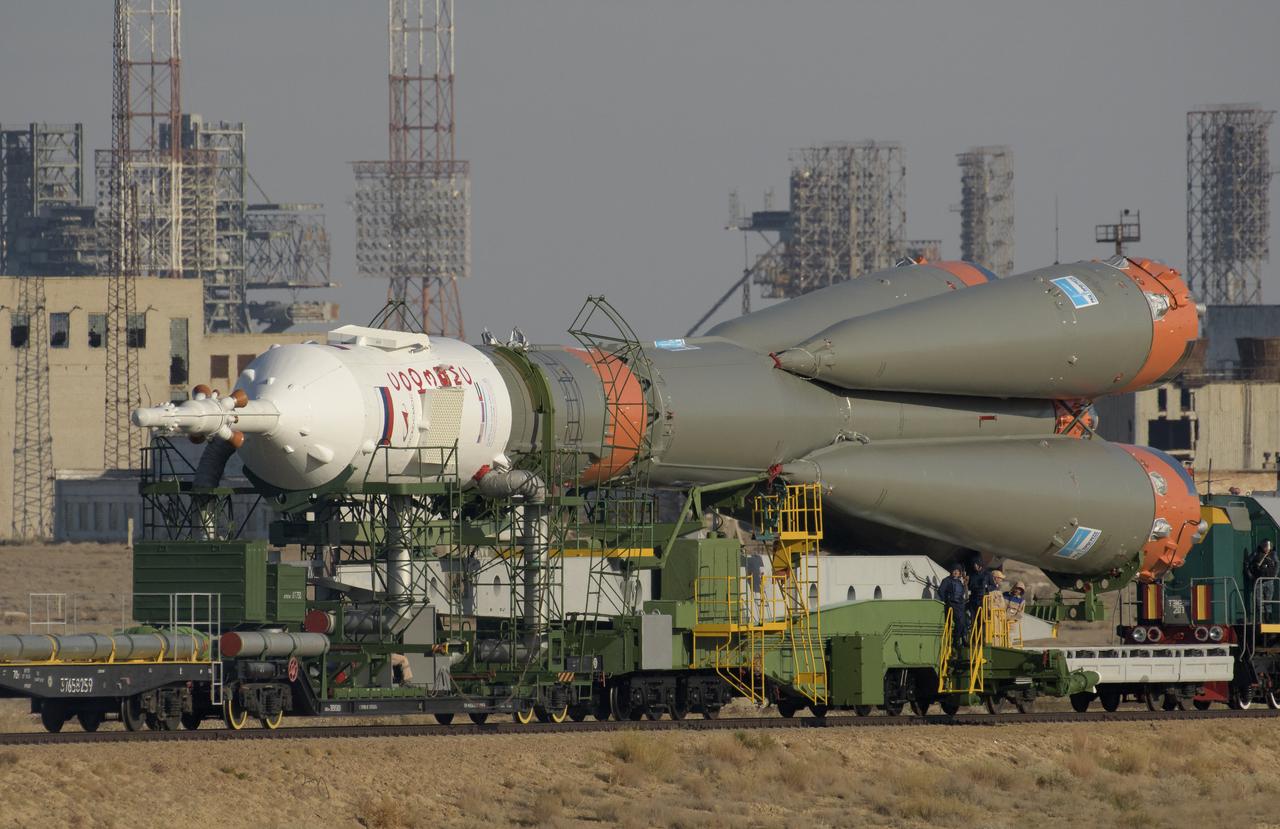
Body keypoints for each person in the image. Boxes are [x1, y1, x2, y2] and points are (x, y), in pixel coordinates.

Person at [1247, 540, 1278, 622]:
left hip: (1269, 581)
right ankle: (1260, 619)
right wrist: (1251, 576)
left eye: (1268, 546)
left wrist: (1275, 575)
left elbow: (1277, 564)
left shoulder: (1273, 555)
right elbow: (1247, 564)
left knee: (1268, 601)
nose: (1267, 548)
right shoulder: (1256, 554)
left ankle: (1268, 619)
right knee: (1258, 601)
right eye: (1265, 546)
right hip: (1259, 581)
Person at [938, 564, 969, 645]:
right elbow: (941, 591)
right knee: (959, 621)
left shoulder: (960, 582)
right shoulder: (947, 580)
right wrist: (946, 601)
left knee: (964, 622)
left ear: (960, 573)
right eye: (954, 570)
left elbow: (963, 595)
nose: (956, 572)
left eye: (958, 571)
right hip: (952, 604)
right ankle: (956, 640)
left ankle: (963, 638)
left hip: (960, 605)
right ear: (952, 571)